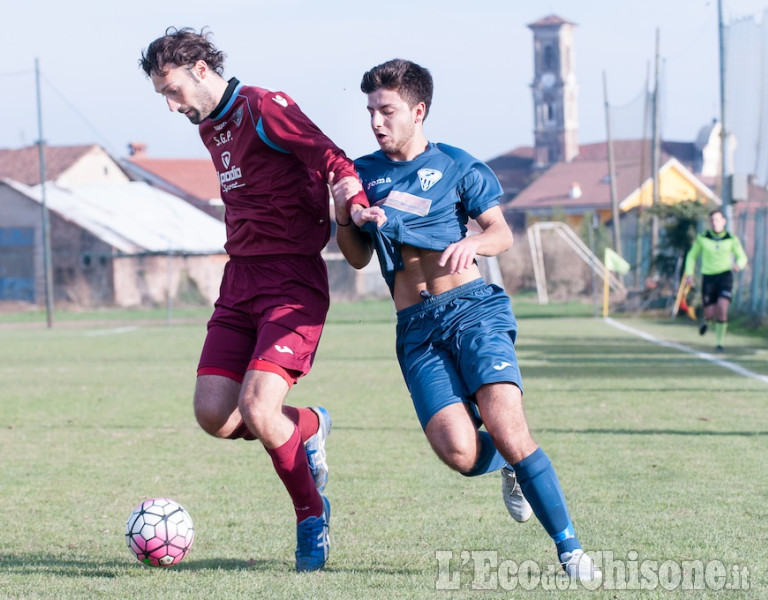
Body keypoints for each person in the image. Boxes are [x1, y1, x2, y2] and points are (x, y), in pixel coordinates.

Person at [331, 58, 600, 582]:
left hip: (472, 310)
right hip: (416, 329)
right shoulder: (361, 173)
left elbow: (501, 233)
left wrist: (472, 241)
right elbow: (358, 258)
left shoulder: (458, 165)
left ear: (418, 110)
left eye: (387, 111)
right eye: (370, 112)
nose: (376, 122)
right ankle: (508, 468)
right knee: (458, 450)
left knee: (507, 425)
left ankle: (571, 552)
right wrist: (346, 213)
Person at [139, 27, 367, 572]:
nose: (171, 107)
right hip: (239, 282)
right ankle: (308, 425)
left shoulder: (265, 105)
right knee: (215, 415)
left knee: (260, 408)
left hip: (292, 283)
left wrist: (353, 201)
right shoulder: (209, 125)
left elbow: (330, 156)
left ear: (199, 69)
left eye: (171, 91)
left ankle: (311, 518)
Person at [684, 208, 748, 353]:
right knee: (710, 313)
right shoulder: (702, 238)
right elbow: (691, 256)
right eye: (712, 220)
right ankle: (705, 320)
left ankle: (720, 343)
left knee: (722, 308)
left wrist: (739, 265)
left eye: (718, 220)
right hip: (708, 278)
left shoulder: (731, 238)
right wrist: (689, 274)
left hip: (725, 276)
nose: (715, 223)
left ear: (724, 221)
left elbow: (742, 256)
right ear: (709, 222)